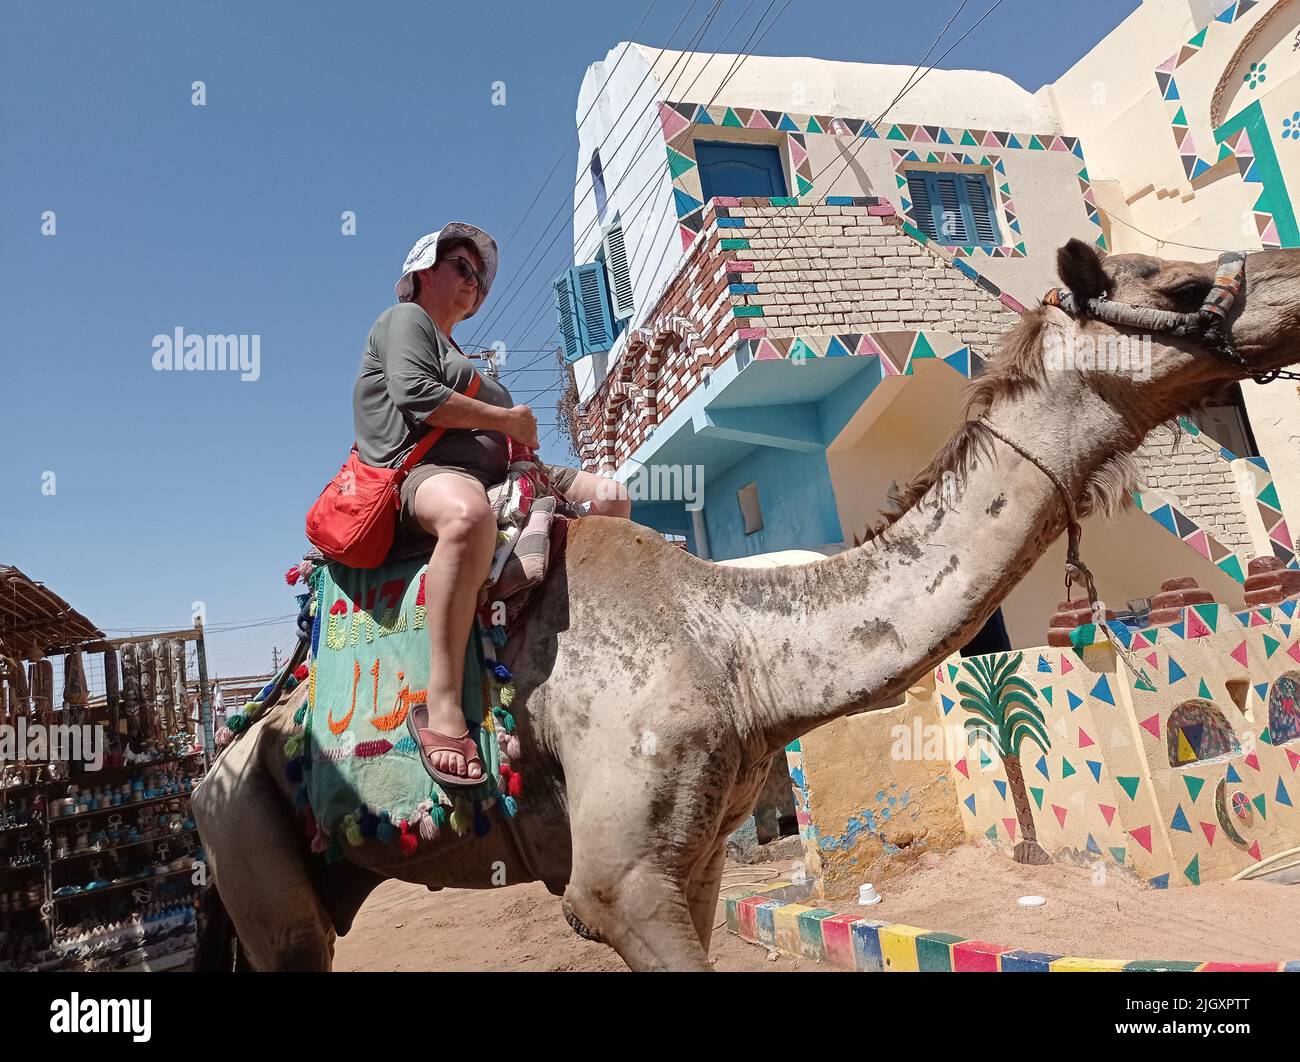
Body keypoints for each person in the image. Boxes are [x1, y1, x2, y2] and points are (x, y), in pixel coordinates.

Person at [352, 224, 630, 787]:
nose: (474, 284)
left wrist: (517, 443)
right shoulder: (404, 321)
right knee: (468, 513)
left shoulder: (458, 350)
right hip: (418, 477)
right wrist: (506, 418)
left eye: (480, 279)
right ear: (423, 271)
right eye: (462, 268)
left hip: (506, 472)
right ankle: (444, 702)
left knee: (611, 496)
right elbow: (417, 397)